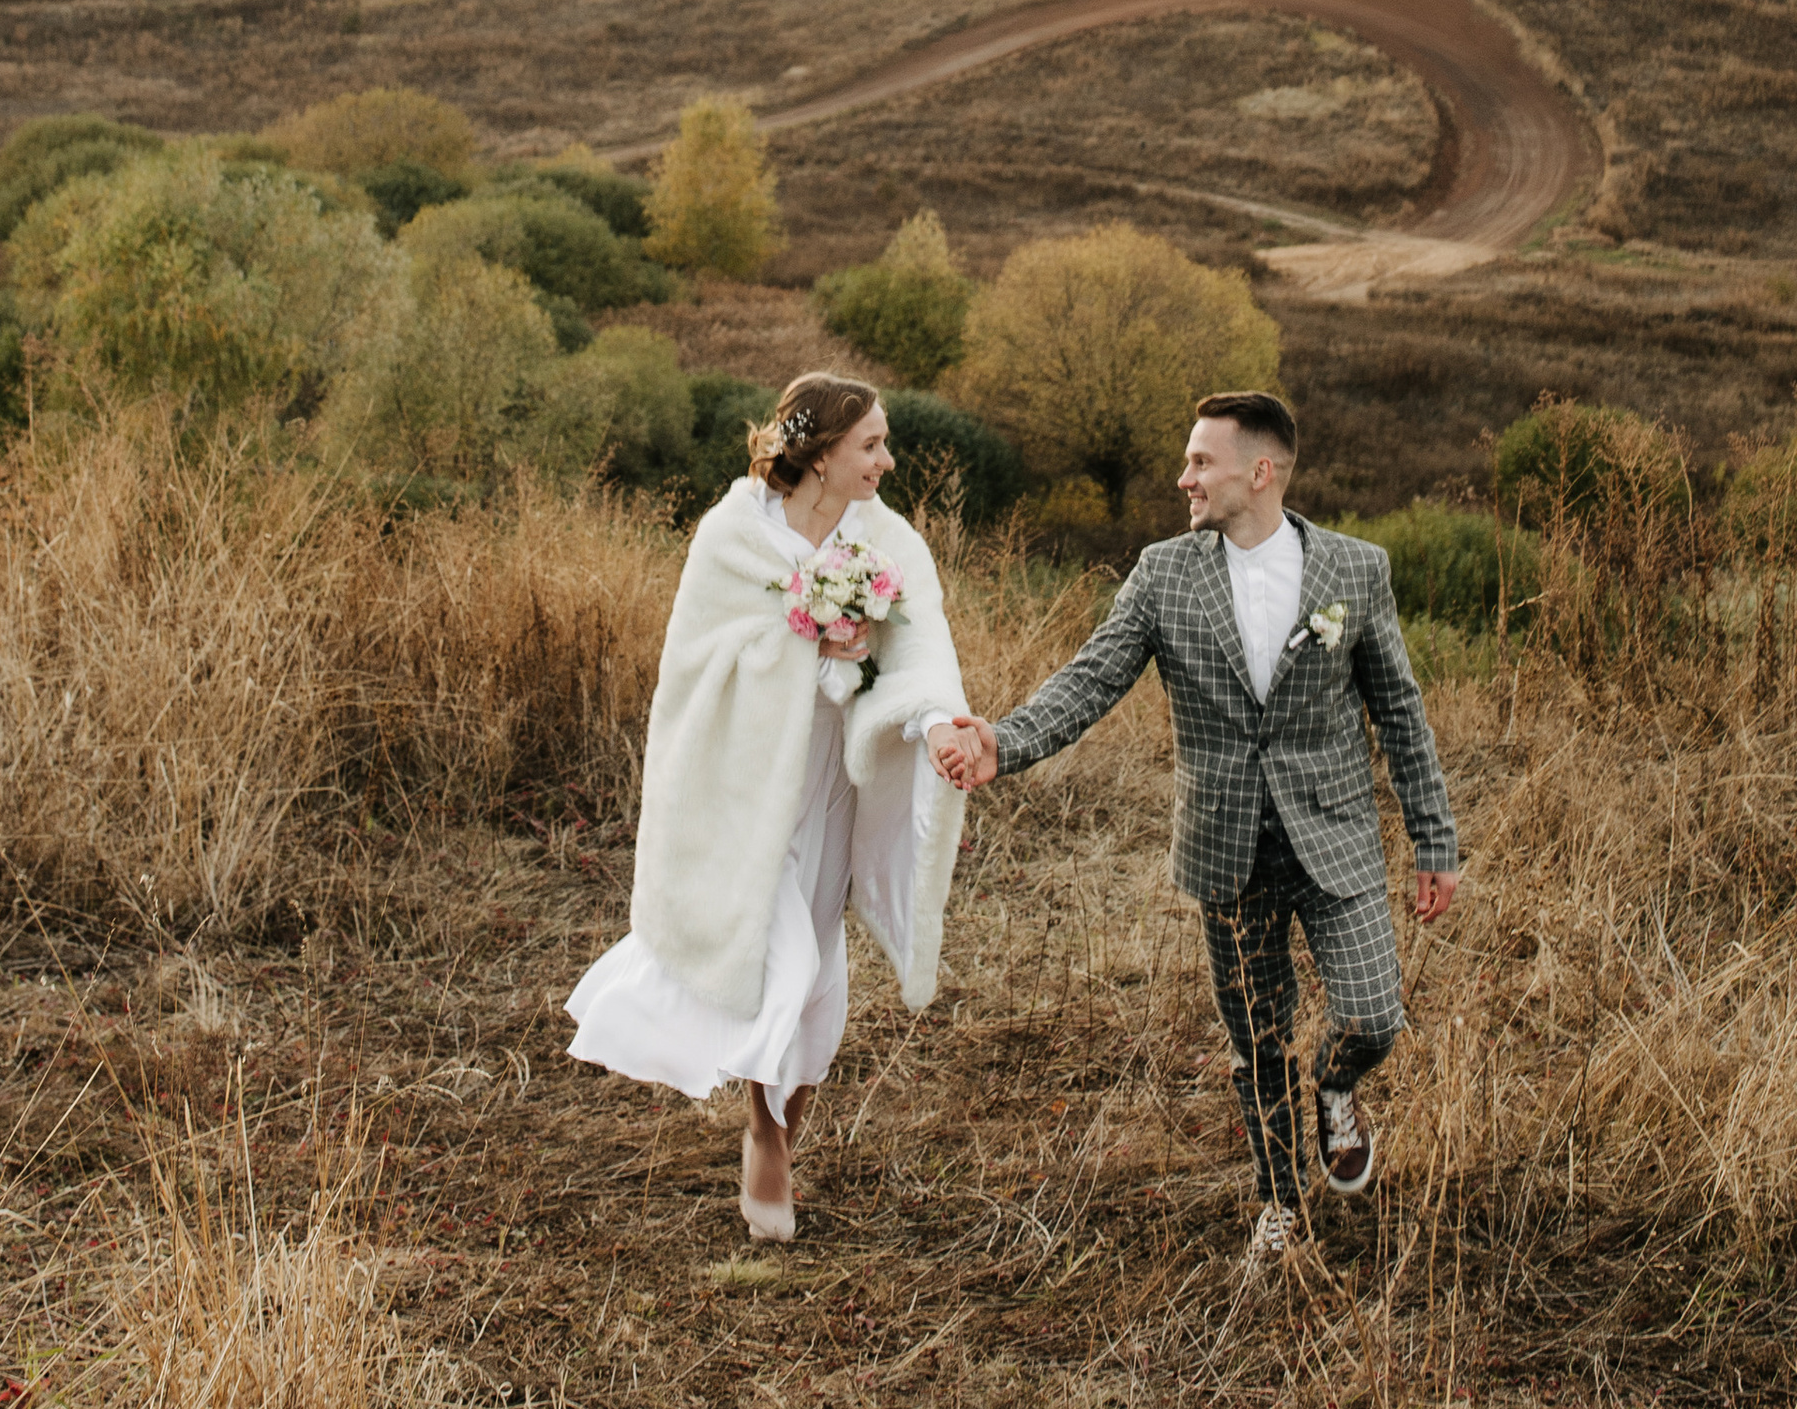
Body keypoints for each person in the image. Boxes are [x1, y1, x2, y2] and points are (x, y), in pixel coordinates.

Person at [931, 389, 1457, 1260]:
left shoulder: (1356, 570)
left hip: (1336, 840)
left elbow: (1400, 712)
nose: (1184, 478)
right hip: (1225, 844)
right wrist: (1004, 743)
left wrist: (1434, 841)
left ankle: (1336, 1089)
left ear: (1261, 472)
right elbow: (1092, 678)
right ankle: (1280, 1205)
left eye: (1201, 462)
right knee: (1257, 1039)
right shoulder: (1163, 573)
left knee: (1373, 1015)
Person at [567, 371, 971, 1241]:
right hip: (749, 784)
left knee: (820, 974)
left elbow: (922, 650)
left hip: (832, 780)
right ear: (821, 455)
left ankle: (782, 1126)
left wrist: (937, 722)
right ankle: (762, 1124)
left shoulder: (886, 540)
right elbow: (699, 660)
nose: (887, 461)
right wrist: (810, 642)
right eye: (871, 445)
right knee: (782, 958)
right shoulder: (733, 535)